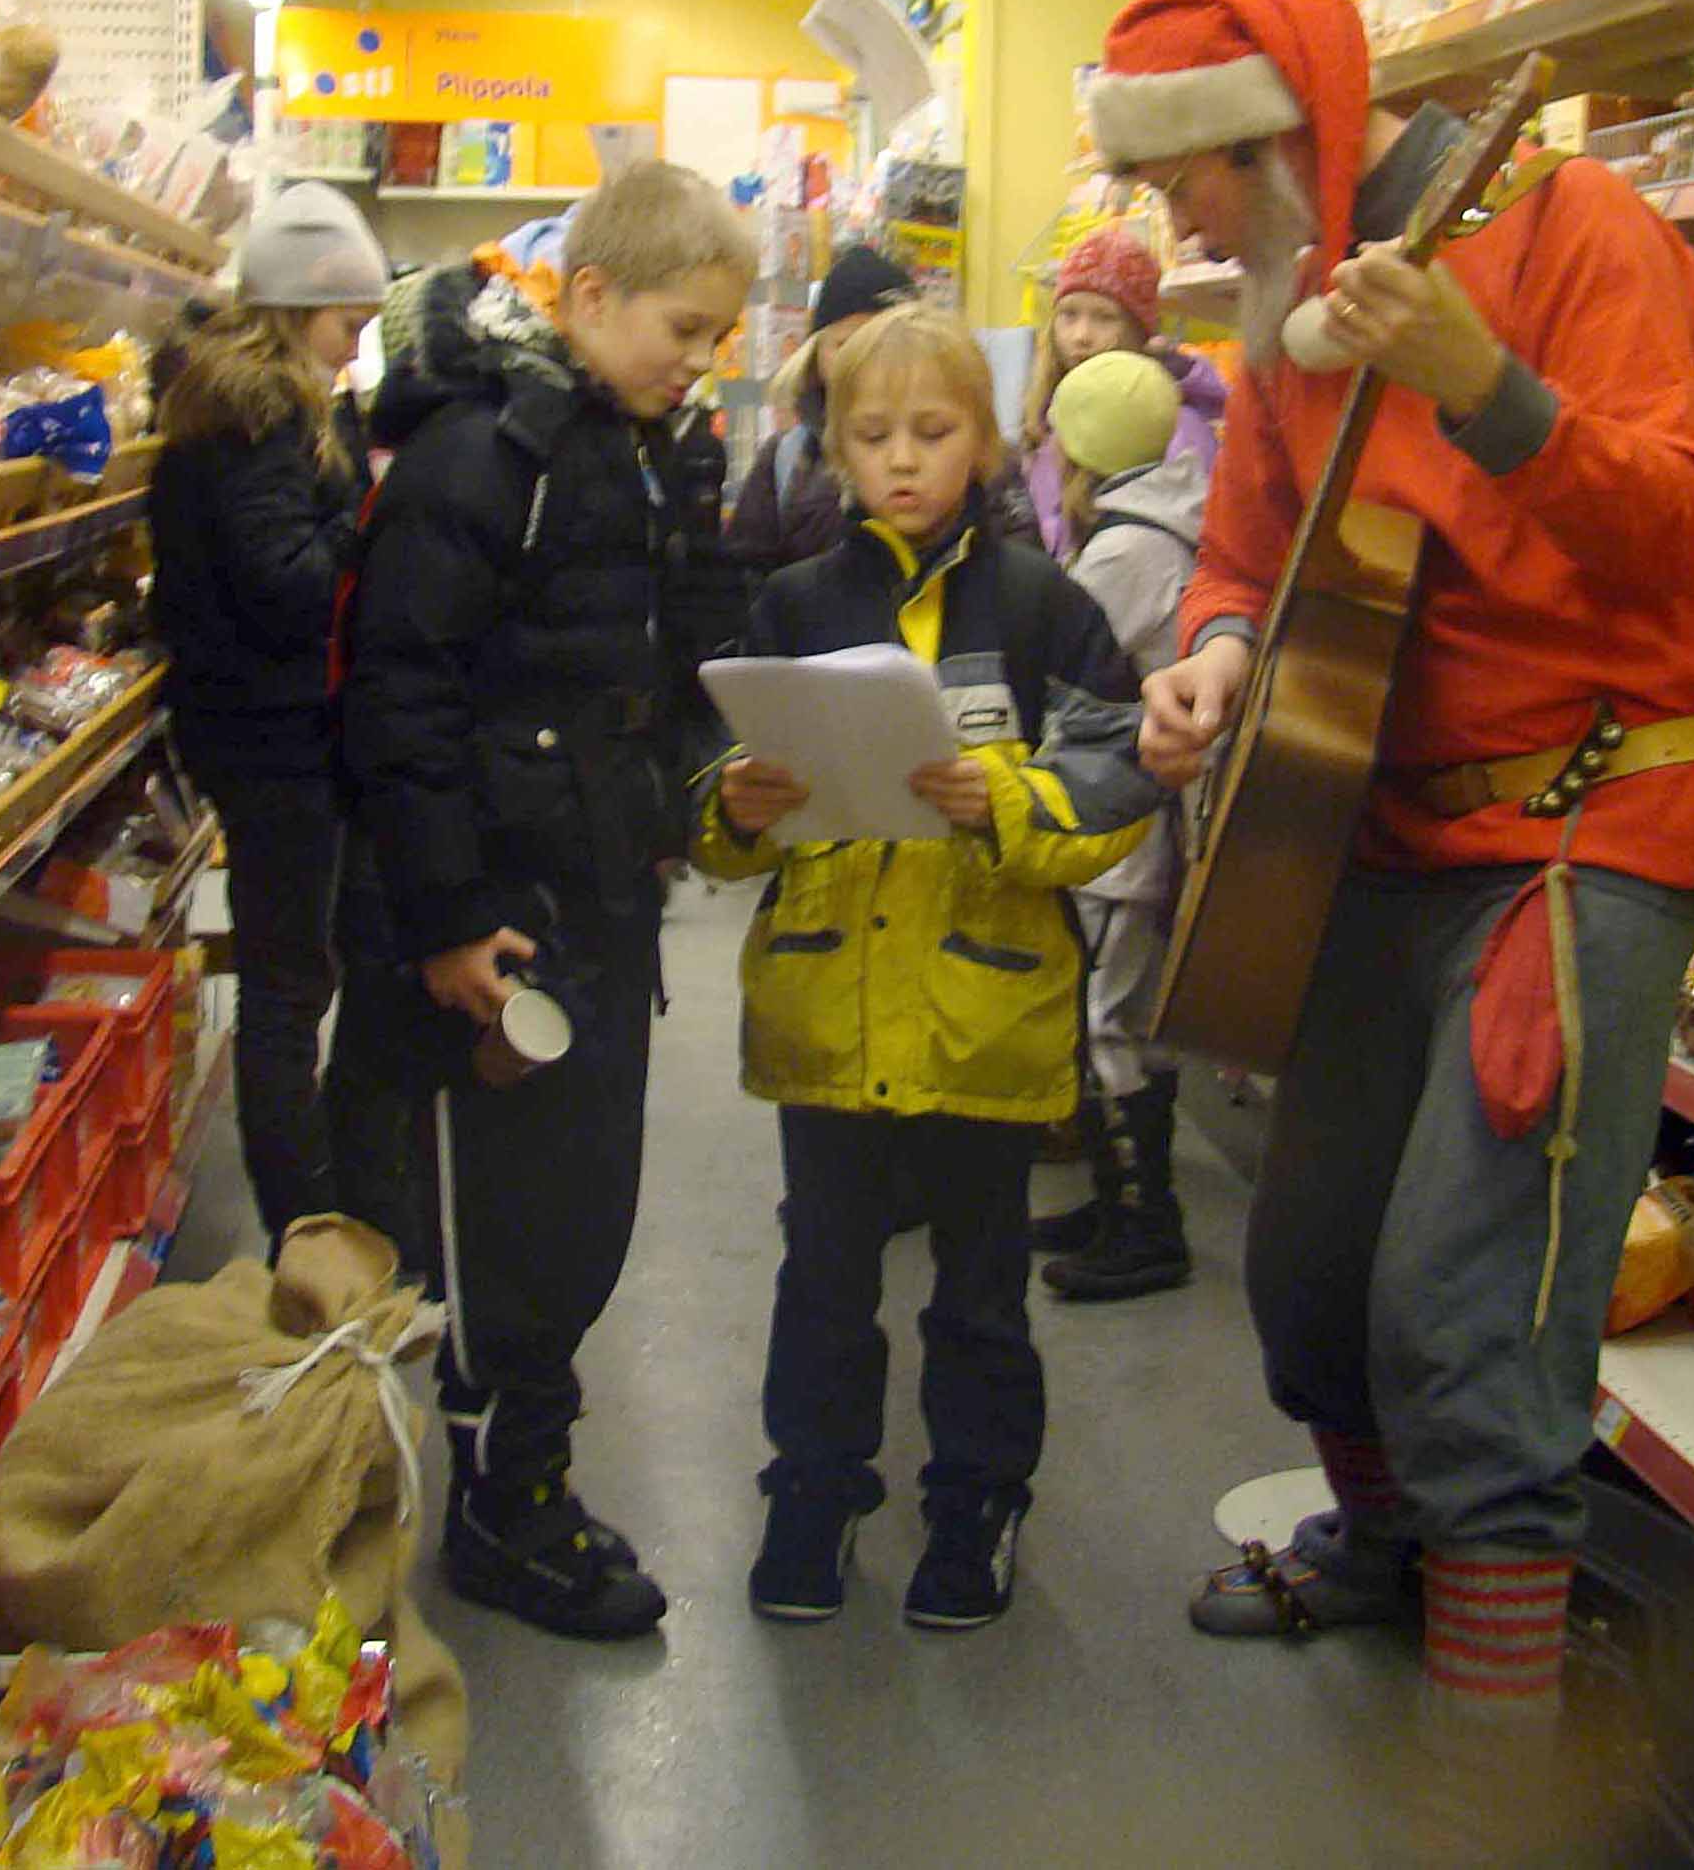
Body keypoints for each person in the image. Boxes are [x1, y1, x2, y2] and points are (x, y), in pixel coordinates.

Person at [1088, 0, 1694, 1712]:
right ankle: (1386, 1558)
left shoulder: (1580, 227)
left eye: (1181, 178)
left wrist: (1488, 388)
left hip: (1585, 827)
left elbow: (1679, 536)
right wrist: (1214, 652)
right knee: (1308, 1273)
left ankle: (1486, 1745)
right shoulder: (1286, 300)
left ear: (1276, 136)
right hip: (1374, 824)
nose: (1172, 220)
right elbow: (1247, 549)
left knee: (1470, 1303)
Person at [691, 302, 1157, 1633]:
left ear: (987, 443)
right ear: (835, 448)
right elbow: (712, 801)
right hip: (826, 1014)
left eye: (933, 431)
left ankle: (976, 1497)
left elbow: (1116, 778)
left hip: (984, 1012)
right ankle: (812, 1488)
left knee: (980, 1286)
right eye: (874, 433)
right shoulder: (790, 604)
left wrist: (1004, 799)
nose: (902, 457)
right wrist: (735, 807)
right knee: (823, 1277)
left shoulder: (1041, 604)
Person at [342, 161, 754, 1641]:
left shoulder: (643, 453)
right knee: (503, 1224)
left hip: (600, 899)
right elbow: (399, 697)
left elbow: (666, 665)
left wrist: (706, 788)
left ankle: (528, 1473)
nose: (698, 360)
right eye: (682, 328)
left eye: (716, 336)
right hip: (498, 925)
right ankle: (495, 1506)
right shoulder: (479, 459)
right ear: (587, 296)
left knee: (579, 1212)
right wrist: (449, 917)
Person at [149, 181, 390, 1251]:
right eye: (347, 324)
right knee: (287, 989)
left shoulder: (266, 407)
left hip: (263, 731)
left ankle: (312, 1202)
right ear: (295, 310)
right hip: (270, 739)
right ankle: (302, 1227)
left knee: (294, 976)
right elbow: (285, 583)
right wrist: (373, 527)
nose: (355, 348)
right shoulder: (260, 417)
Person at [1027, 350, 1205, 1303]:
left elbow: (1065, 669)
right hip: (1144, 810)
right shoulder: (1166, 521)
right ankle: (1115, 1200)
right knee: (1123, 1015)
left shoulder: (1124, 550)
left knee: (1105, 1018)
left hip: (1119, 820)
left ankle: (1144, 1224)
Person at [1018, 225, 1226, 562]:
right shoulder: (1046, 419)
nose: (1081, 336)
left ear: (1138, 331)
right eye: (1069, 315)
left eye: (1104, 318)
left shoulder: (1173, 427)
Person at [726, 244, 910, 579]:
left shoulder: (964, 452)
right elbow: (743, 585)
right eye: (847, 345)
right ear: (816, 353)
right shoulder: (786, 460)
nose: (864, 361)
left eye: (885, 343)